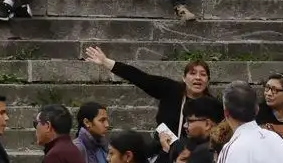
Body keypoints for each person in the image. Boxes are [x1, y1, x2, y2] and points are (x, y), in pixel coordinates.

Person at [81, 46, 212, 143]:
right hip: (164, 154)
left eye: (203, 74)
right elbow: (140, 78)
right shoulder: (170, 90)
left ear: (208, 80)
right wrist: (106, 62)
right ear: (184, 78)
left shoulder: (212, 106)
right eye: (192, 73)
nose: (198, 78)